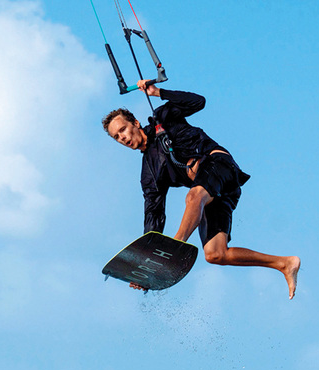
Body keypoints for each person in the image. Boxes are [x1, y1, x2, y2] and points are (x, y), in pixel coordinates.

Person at [103, 80, 300, 299]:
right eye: (117, 137)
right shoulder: (149, 172)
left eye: (122, 130)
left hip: (220, 166)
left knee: (193, 196)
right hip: (215, 194)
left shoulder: (163, 118)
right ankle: (284, 263)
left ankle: (176, 244)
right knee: (215, 254)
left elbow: (198, 101)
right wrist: (146, 267)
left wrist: (158, 92)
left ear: (135, 123)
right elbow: (153, 215)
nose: (123, 137)